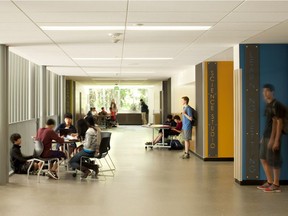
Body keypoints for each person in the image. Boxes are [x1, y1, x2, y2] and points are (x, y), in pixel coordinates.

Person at [257, 84, 286, 192]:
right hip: (267, 136)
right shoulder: (268, 105)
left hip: (272, 137)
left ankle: (276, 184)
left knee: (274, 161)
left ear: (272, 92)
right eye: (263, 91)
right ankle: (269, 182)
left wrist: (275, 140)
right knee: (263, 158)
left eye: (267, 91)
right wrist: (263, 136)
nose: (265, 93)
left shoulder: (276, 105)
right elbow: (270, 123)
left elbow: (279, 123)